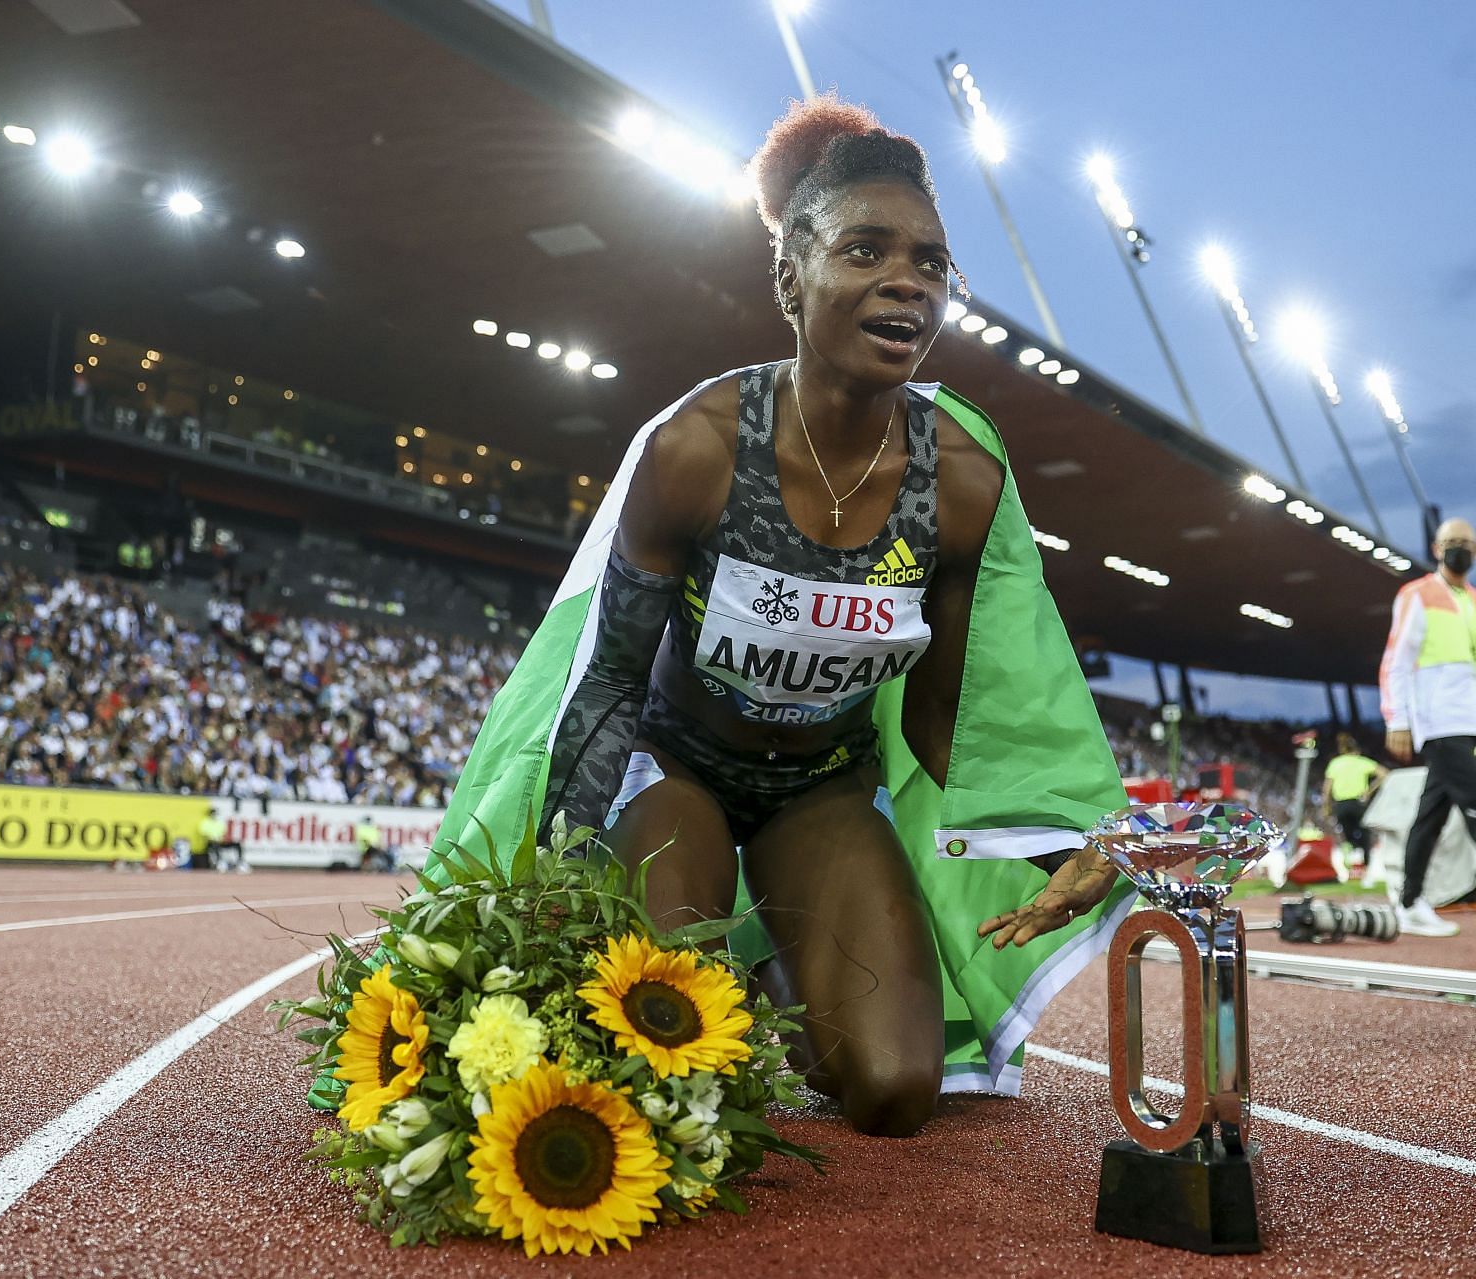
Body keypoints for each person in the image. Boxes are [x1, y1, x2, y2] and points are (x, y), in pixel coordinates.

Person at [428, 97, 1131, 1136]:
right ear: (791, 275)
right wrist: (564, 887)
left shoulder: (963, 483)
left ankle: (793, 985)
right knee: (664, 1067)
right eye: (866, 250)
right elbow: (611, 679)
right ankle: (733, 959)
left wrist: (1064, 846)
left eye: (933, 264)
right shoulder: (700, 450)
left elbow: (941, 724)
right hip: (677, 771)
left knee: (895, 1090)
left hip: (822, 788)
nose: (908, 281)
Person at [1380, 516, 1476, 938]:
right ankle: (1409, 902)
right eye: (1452, 541)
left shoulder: (1472, 599)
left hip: (1468, 719)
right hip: (1438, 721)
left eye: (1466, 542)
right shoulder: (1417, 594)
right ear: (1437, 549)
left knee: (1432, 814)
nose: (1460, 548)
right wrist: (1397, 719)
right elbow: (1396, 662)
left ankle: (1409, 902)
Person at [1320, 732, 1386, 869]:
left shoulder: (1335, 763)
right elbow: (1384, 774)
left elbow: (1327, 788)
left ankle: (1349, 848)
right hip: (1359, 803)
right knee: (1365, 832)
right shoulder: (1362, 761)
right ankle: (1366, 864)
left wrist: (1326, 806)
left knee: (1348, 832)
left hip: (1341, 805)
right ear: (1357, 750)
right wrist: (1370, 790)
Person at [200, 809, 247, 874]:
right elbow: (204, 835)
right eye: (213, 814)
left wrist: (226, 839)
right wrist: (214, 839)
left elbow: (224, 834)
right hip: (211, 842)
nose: (214, 815)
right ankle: (220, 862)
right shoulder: (205, 822)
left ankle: (240, 862)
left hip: (220, 841)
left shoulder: (219, 822)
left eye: (215, 814)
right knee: (214, 844)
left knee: (237, 844)